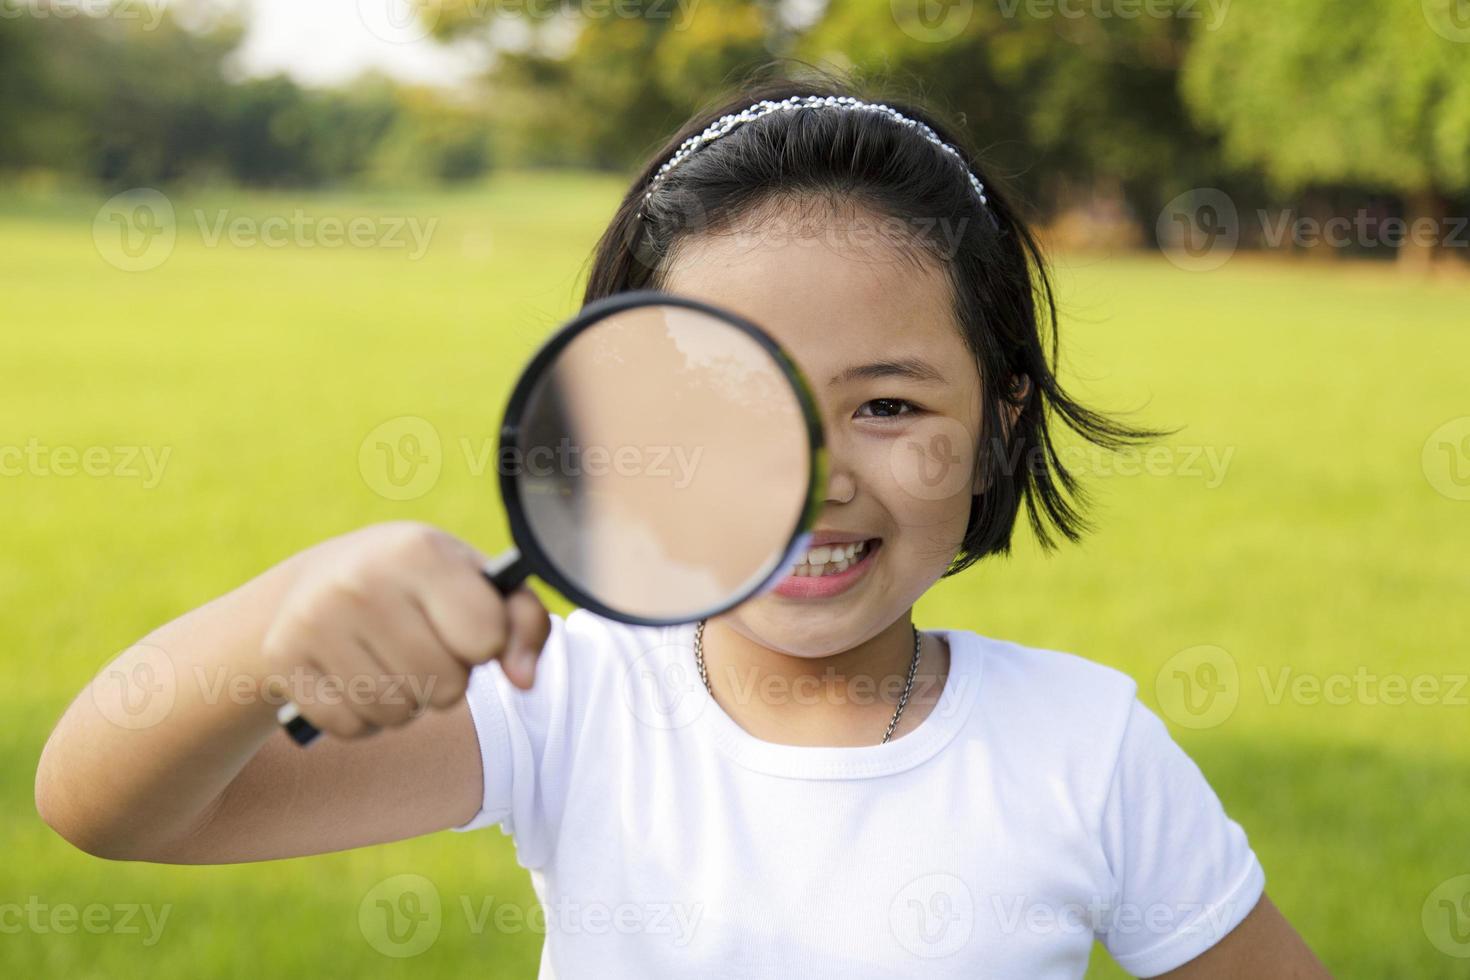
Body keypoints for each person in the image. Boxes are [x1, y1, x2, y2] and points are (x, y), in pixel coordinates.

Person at [35, 71, 1332, 978]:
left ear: (997, 422)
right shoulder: (565, 697)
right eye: (729, 404)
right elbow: (109, 806)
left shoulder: (1085, 747)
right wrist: (278, 624)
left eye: (884, 401)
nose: (811, 476)